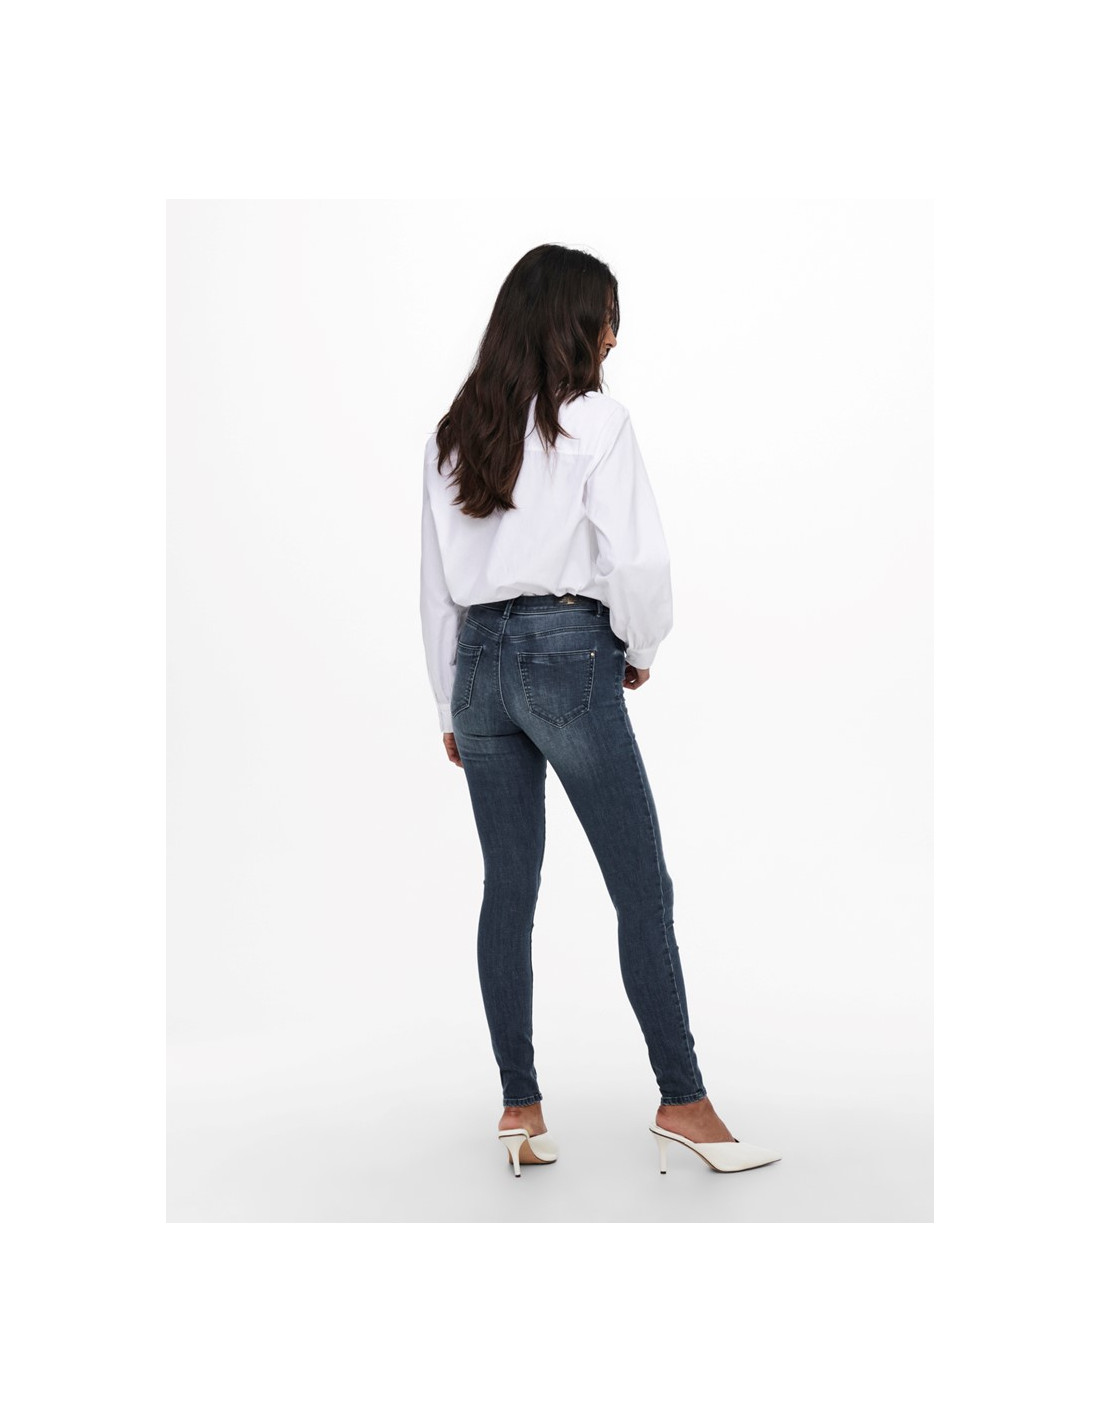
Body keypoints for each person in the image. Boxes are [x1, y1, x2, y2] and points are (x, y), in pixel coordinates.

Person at [419, 244, 780, 1177]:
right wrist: (640, 647)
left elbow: (436, 586)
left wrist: (450, 701)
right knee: (641, 888)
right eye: (606, 315)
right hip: (566, 655)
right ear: (571, 323)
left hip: (479, 667)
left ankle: (520, 1106)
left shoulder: (454, 434)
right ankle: (683, 1101)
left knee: (508, 891)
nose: (615, 335)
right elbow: (639, 561)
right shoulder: (598, 421)